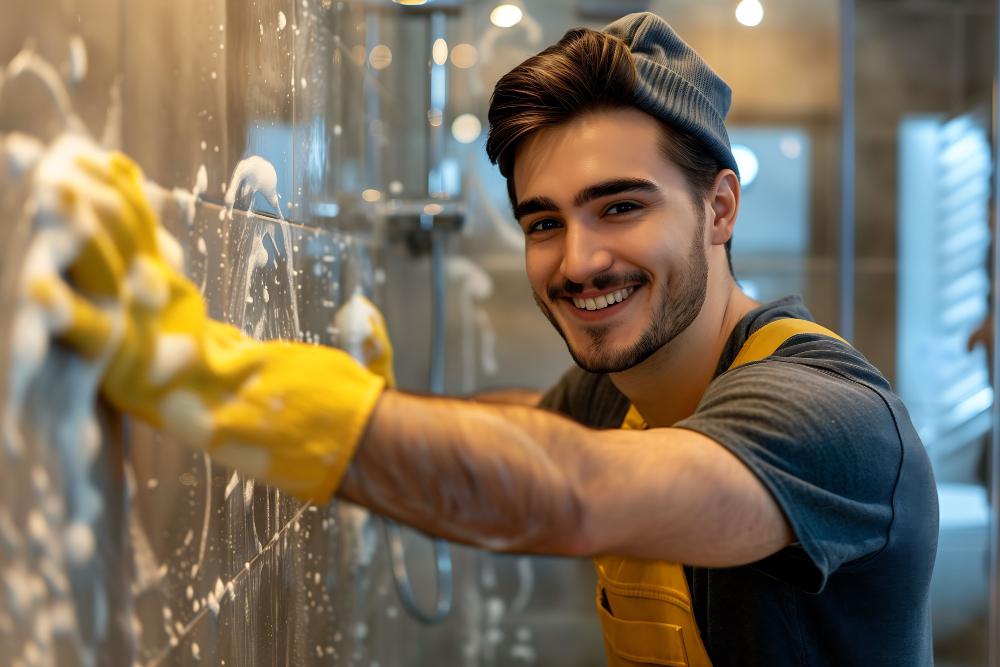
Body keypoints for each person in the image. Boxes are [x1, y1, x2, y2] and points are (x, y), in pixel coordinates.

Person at [28, 11, 937, 667]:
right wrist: (370, 398)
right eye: (544, 222)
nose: (578, 260)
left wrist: (215, 381)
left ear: (720, 207)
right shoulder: (621, 392)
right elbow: (518, 431)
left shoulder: (831, 420)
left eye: (620, 206)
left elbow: (572, 493)